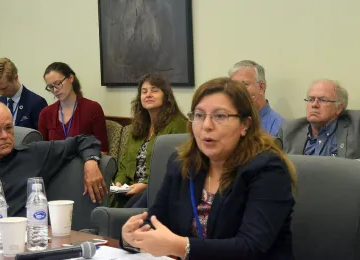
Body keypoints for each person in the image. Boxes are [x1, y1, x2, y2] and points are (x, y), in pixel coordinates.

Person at [121, 77, 296, 259]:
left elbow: (250, 247)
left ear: (245, 124)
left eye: (220, 116)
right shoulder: (181, 163)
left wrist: (182, 247)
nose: (206, 125)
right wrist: (130, 237)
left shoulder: (268, 169)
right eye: (199, 115)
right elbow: (155, 221)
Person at [111, 74, 188, 208]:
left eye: (154, 90)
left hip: (157, 188)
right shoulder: (138, 126)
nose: (148, 94)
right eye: (144, 91)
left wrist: (146, 184)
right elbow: (124, 162)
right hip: (130, 188)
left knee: (126, 213)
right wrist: (119, 183)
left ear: (166, 95)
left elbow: (175, 165)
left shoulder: (179, 125)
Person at [278, 79, 360, 162]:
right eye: (311, 99)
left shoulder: (359, 124)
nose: (314, 105)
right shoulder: (289, 130)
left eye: (322, 100)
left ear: (339, 108)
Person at [38, 62, 108, 154]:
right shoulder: (46, 113)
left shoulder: (92, 108)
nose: (55, 90)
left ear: (71, 78)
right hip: (55, 166)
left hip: (83, 165)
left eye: (58, 83)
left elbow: (103, 151)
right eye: (51, 87)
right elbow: (42, 151)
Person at [0, 57, 48, 130]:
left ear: (15, 78)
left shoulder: (37, 103)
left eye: (4, 88)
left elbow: (42, 138)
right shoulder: (0, 102)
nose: (1, 93)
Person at [229, 60, 284, 136]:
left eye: (245, 84)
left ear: (261, 87)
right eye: (234, 85)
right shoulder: (228, 120)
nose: (238, 90)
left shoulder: (279, 128)